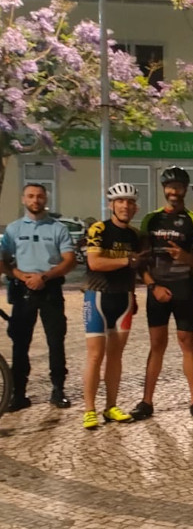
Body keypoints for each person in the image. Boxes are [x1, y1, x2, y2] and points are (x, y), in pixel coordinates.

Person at [135, 167, 193, 419]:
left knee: (187, 343)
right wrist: (152, 287)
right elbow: (140, 263)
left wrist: (185, 256)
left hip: (185, 291)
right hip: (157, 290)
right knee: (156, 345)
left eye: (178, 187)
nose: (174, 191)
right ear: (163, 189)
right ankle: (146, 401)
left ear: (185, 189)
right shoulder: (151, 220)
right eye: (169, 187)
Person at [0, 183, 75, 411]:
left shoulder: (57, 228)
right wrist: (21, 275)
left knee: (56, 341)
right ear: (23, 199)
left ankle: (58, 390)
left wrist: (44, 276)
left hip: (50, 289)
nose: (35, 200)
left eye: (40, 196)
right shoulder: (13, 230)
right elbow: (3, 262)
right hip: (23, 290)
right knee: (20, 344)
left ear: (45, 199)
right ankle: (18, 394)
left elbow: (69, 261)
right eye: (31, 196)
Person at [80, 183, 147, 429]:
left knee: (116, 357)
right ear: (111, 205)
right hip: (97, 297)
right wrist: (126, 260)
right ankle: (89, 409)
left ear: (135, 207)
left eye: (130, 202)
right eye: (120, 201)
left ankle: (111, 406)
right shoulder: (99, 228)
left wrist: (134, 294)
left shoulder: (135, 235)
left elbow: (136, 269)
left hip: (123, 300)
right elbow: (95, 263)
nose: (125, 206)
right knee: (95, 355)